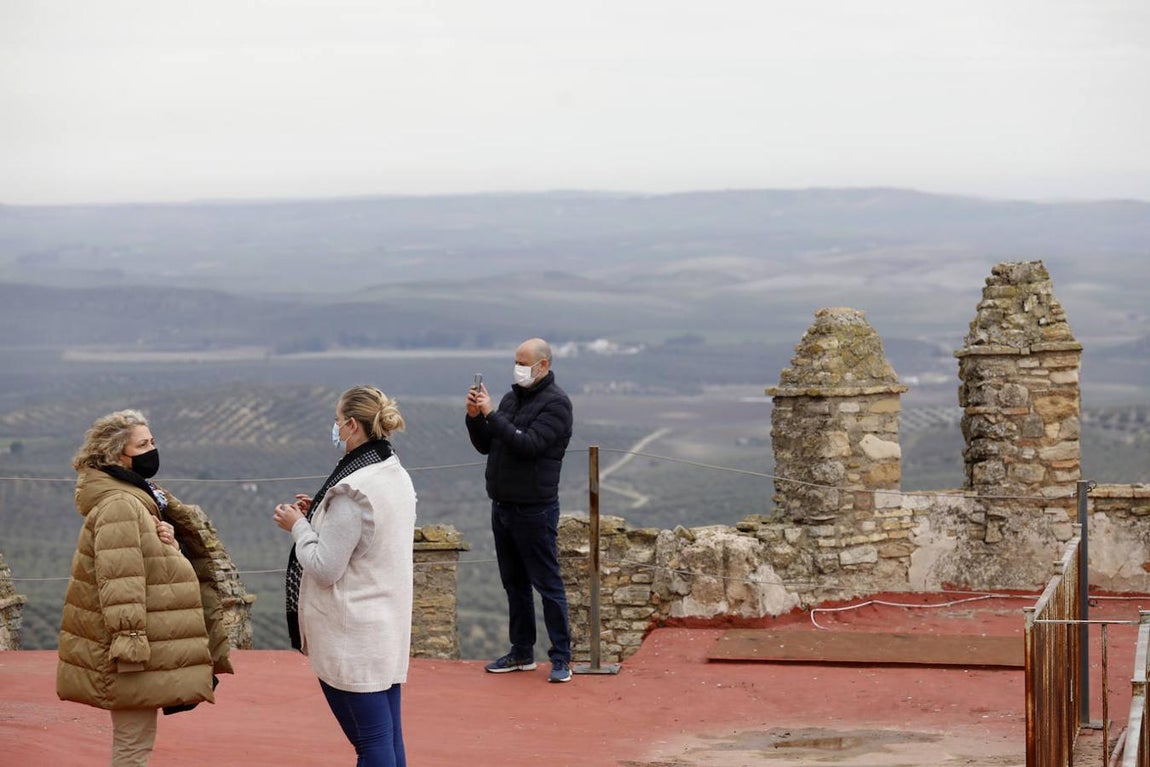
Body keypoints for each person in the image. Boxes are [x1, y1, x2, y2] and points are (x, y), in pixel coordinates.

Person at [57, 409, 233, 767]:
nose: (152, 449)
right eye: (143, 444)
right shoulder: (121, 503)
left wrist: (167, 542)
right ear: (118, 454)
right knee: (132, 746)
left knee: (135, 742)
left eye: (152, 441)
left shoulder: (136, 497)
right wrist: (130, 642)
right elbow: (119, 579)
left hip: (138, 645)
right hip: (130, 653)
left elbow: (142, 562)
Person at [274, 385, 416, 767]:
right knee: (389, 741)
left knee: (371, 746)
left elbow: (323, 568)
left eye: (337, 421)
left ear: (352, 425)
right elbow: (365, 538)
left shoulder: (353, 491)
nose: (334, 428)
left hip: (353, 638)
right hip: (385, 630)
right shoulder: (393, 472)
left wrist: (299, 526)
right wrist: (320, 515)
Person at [466, 337, 574, 683]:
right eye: (516, 361)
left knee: (547, 583)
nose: (518, 368)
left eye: (524, 362)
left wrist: (492, 415)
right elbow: (489, 444)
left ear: (543, 366)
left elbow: (528, 445)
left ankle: (561, 658)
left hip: (535, 509)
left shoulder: (556, 405)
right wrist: (475, 419)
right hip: (503, 506)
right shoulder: (513, 398)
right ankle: (521, 651)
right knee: (514, 584)